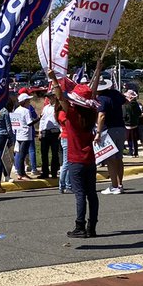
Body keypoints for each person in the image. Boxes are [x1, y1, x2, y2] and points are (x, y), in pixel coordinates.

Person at [48, 68, 99, 238]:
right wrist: (97, 70)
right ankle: (92, 226)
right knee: (92, 193)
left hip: (76, 159)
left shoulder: (71, 115)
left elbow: (60, 97)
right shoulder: (91, 114)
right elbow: (92, 91)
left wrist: (53, 78)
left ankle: (80, 226)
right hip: (90, 159)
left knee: (80, 195)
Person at [96, 76, 128, 194]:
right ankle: (120, 184)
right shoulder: (115, 93)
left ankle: (114, 186)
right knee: (119, 158)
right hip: (121, 127)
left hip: (109, 130)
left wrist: (98, 132)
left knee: (110, 159)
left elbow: (101, 115)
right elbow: (126, 101)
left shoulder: (102, 99)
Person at [10, 92, 36, 180]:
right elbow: (29, 123)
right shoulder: (26, 111)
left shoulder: (16, 110)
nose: (29, 102)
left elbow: (14, 125)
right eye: (28, 101)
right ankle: (21, 173)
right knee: (23, 154)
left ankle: (19, 172)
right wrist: (38, 119)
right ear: (25, 102)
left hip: (18, 135)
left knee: (19, 153)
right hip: (26, 135)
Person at [38, 93, 61, 179]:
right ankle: (45, 172)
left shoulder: (58, 107)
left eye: (50, 97)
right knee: (44, 153)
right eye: (48, 97)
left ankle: (54, 172)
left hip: (55, 132)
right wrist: (40, 131)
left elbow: (60, 120)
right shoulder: (46, 108)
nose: (49, 99)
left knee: (55, 153)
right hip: (45, 132)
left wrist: (61, 131)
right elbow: (42, 120)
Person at [124, 89, 143, 157]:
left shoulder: (125, 105)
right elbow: (139, 113)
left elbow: (124, 115)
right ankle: (136, 153)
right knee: (135, 139)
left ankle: (131, 151)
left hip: (127, 124)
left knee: (129, 139)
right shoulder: (136, 104)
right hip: (135, 124)